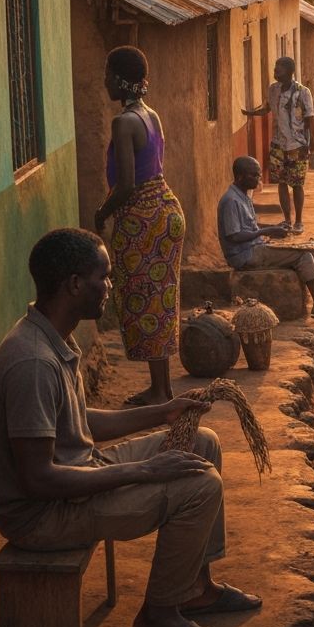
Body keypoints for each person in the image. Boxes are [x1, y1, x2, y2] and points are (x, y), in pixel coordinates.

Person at [0, 229, 260, 627]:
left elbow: (79, 422)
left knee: (201, 443)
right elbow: (38, 480)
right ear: (75, 284)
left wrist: (164, 412)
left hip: (79, 475)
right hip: (43, 517)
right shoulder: (32, 362)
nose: (111, 285)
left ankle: (195, 589)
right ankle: (157, 620)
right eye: (104, 276)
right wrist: (143, 471)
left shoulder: (54, 336)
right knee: (201, 486)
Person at [94, 46, 183, 406]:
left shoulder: (123, 123)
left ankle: (159, 390)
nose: (104, 82)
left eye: (107, 75)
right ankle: (162, 388)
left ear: (119, 79)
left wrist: (102, 212)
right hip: (166, 209)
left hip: (142, 216)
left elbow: (127, 184)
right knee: (160, 299)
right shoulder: (151, 115)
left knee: (143, 299)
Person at [217, 156, 314, 319]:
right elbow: (234, 236)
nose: (258, 178)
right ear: (240, 176)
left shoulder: (243, 195)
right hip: (244, 255)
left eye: (258, 175)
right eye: (253, 175)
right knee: (304, 254)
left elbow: (250, 227)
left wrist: (273, 228)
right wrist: (265, 231)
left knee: (303, 247)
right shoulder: (231, 200)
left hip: (253, 248)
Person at [242, 56, 314, 234]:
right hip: (278, 144)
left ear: (289, 71)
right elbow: (267, 108)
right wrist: (251, 113)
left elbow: (309, 118)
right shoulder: (273, 89)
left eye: (278, 68)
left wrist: (311, 142)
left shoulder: (303, 92)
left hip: (297, 145)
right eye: (275, 67)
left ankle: (299, 221)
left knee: (297, 184)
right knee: (281, 182)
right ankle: (287, 220)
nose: (275, 71)